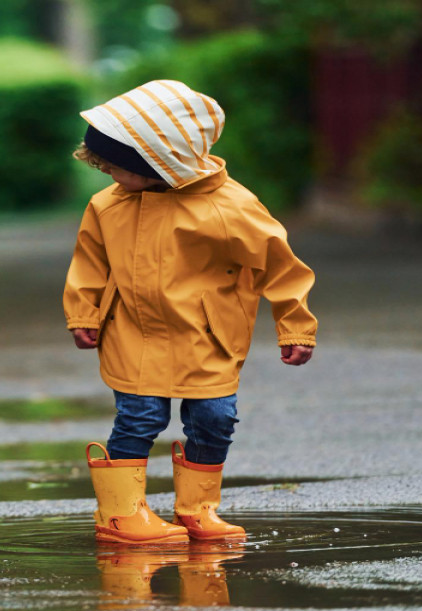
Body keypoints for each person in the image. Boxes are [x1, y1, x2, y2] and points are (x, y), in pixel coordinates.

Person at [66, 80, 317, 545]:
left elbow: (279, 266)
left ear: (161, 160)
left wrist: (295, 325)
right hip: (133, 332)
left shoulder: (230, 207)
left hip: (206, 335)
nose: (110, 177)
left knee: (214, 417)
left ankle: (198, 508)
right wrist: (84, 314)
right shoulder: (107, 206)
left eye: (119, 168)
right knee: (139, 418)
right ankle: (120, 514)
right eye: (104, 167)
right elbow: (90, 262)